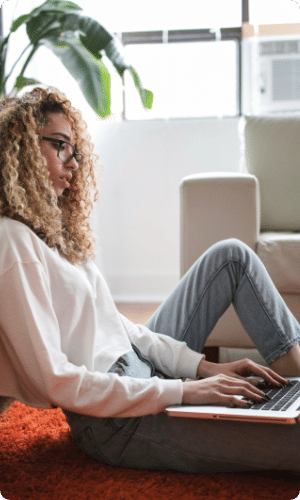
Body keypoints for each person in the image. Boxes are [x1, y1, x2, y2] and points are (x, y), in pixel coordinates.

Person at [0, 87, 300, 474]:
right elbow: (54, 381)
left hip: (142, 373)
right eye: (60, 145)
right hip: (116, 420)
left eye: (75, 150)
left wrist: (201, 369)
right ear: (20, 148)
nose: (73, 163)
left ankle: (294, 376)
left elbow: (119, 326)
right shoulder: (13, 241)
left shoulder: (55, 232)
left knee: (232, 256)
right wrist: (182, 391)